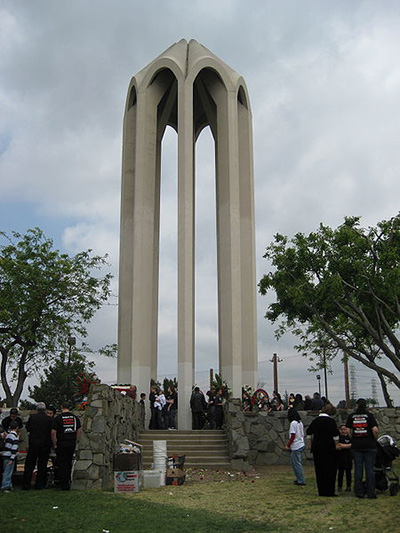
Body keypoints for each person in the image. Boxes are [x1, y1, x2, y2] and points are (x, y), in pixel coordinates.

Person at [346, 398, 379, 499]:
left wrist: (353, 438)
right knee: (369, 469)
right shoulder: (370, 416)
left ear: (357, 405)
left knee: (358, 469)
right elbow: (375, 430)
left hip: (356, 446)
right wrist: (375, 439)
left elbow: (348, 430)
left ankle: (359, 492)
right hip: (369, 445)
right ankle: (370, 492)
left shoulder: (352, 416)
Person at [306, 402, 339, 496]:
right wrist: (336, 445)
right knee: (330, 470)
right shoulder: (330, 422)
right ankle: (330, 491)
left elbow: (308, 431)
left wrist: (309, 444)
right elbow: (335, 435)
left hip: (317, 448)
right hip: (329, 449)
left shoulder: (316, 421)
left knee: (319, 470)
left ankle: (321, 490)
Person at [51, 402, 81, 490]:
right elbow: (79, 430)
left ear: (61, 407)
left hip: (61, 443)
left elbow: (53, 432)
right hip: (71, 443)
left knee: (62, 463)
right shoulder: (75, 418)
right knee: (69, 463)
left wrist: (55, 443)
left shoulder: (58, 418)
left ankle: (63, 484)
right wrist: (76, 440)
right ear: (70, 407)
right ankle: (68, 481)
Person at [23, 402, 53, 490]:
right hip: (45, 444)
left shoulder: (32, 418)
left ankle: (26, 484)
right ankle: (39, 484)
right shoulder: (49, 419)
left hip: (34, 444)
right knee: (42, 465)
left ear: (37, 409)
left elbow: (28, 428)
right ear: (45, 410)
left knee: (29, 464)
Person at [284, 409, 306, 486]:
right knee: (296, 463)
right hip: (301, 443)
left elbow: (293, 436)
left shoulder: (293, 423)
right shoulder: (300, 422)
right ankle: (299, 478)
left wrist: (288, 445)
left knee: (296, 464)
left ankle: (301, 480)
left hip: (296, 445)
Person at [1, 419, 20, 492]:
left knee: (6, 471)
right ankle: (5, 486)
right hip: (9, 456)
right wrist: (12, 459)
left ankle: (9, 485)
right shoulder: (14, 437)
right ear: (17, 428)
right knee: (8, 472)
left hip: (5, 455)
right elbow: (14, 449)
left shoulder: (8, 435)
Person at [337, 424, 352, 493]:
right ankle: (339, 486)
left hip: (348, 457)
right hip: (340, 457)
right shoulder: (338, 437)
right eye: (341, 429)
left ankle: (348, 486)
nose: (343, 431)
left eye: (344, 429)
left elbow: (352, 445)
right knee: (340, 472)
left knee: (348, 472)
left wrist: (344, 446)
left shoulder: (349, 437)